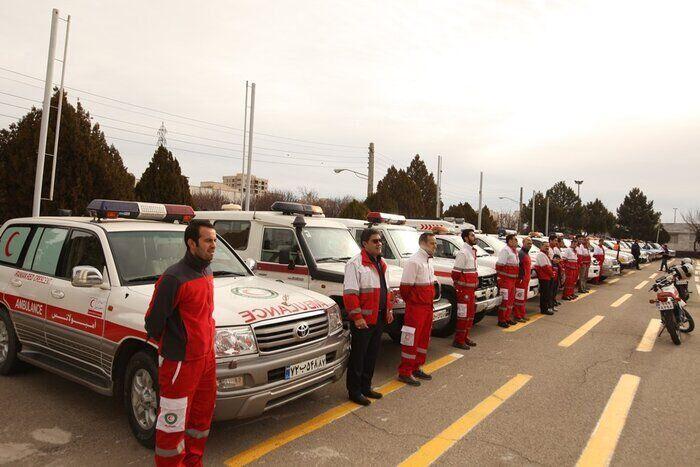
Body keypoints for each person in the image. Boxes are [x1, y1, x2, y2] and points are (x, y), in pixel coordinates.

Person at [145, 220, 217, 466]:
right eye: (208, 240)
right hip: (180, 365)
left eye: (214, 240)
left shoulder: (206, 272)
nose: (213, 245)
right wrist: (177, 345)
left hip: (206, 361)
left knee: (200, 422)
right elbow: (152, 323)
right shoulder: (173, 278)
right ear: (191, 243)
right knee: (172, 427)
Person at [343, 228, 394, 405]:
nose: (379, 243)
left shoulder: (382, 263)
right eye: (375, 241)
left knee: (372, 355)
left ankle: (366, 387)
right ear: (364, 244)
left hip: (379, 318)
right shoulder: (355, 264)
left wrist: (388, 310)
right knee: (358, 356)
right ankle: (354, 391)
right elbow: (350, 294)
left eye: (380, 240)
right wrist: (357, 317)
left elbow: (385, 290)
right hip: (363, 321)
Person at [398, 232, 437, 386]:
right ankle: (405, 371)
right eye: (432, 243)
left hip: (427, 307)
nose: (435, 246)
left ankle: (416, 367)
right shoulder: (414, 262)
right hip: (416, 308)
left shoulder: (429, 261)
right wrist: (414, 302)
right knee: (411, 339)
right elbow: (405, 288)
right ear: (423, 244)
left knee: (423, 339)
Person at [452, 229, 479, 350]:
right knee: (463, 316)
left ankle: (465, 337)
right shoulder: (463, 253)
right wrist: (461, 285)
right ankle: (458, 340)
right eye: (472, 235)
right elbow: (456, 273)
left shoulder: (472, 252)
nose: (474, 237)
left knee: (470, 315)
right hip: (464, 291)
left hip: (471, 289)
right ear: (466, 238)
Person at [495, 234, 520, 328]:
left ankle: (507, 318)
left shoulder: (515, 251)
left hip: (512, 280)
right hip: (506, 280)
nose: (516, 242)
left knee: (510, 300)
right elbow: (499, 265)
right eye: (515, 240)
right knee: (505, 301)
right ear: (509, 241)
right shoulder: (505, 250)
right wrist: (501, 277)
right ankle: (501, 320)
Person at [513, 237, 533, 322]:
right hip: (521, 280)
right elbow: (518, 266)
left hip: (526, 280)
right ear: (523, 242)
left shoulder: (526, 253)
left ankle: (522, 314)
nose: (530, 243)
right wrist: (520, 277)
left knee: (523, 299)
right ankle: (517, 316)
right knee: (519, 299)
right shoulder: (521, 254)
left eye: (531, 242)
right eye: (528, 242)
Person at [534, 242, 555, 315]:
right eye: (545, 246)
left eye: (548, 246)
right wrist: (552, 274)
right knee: (544, 294)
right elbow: (545, 267)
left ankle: (546, 308)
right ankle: (544, 309)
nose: (547, 247)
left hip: (547, 276)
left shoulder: (545, 254)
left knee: (546, 294)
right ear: (541, 246)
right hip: (544, 277)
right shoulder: (541, 255)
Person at [549, 235, 563, 306]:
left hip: (556, 269)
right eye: (555, 240)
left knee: (555, 287)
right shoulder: (548, 249)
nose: (556, 242)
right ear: (550, 241)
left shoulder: (554, 249)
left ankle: (553, 300)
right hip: (551, 270)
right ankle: (550, 302)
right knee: (551, 288)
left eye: (557, 241)